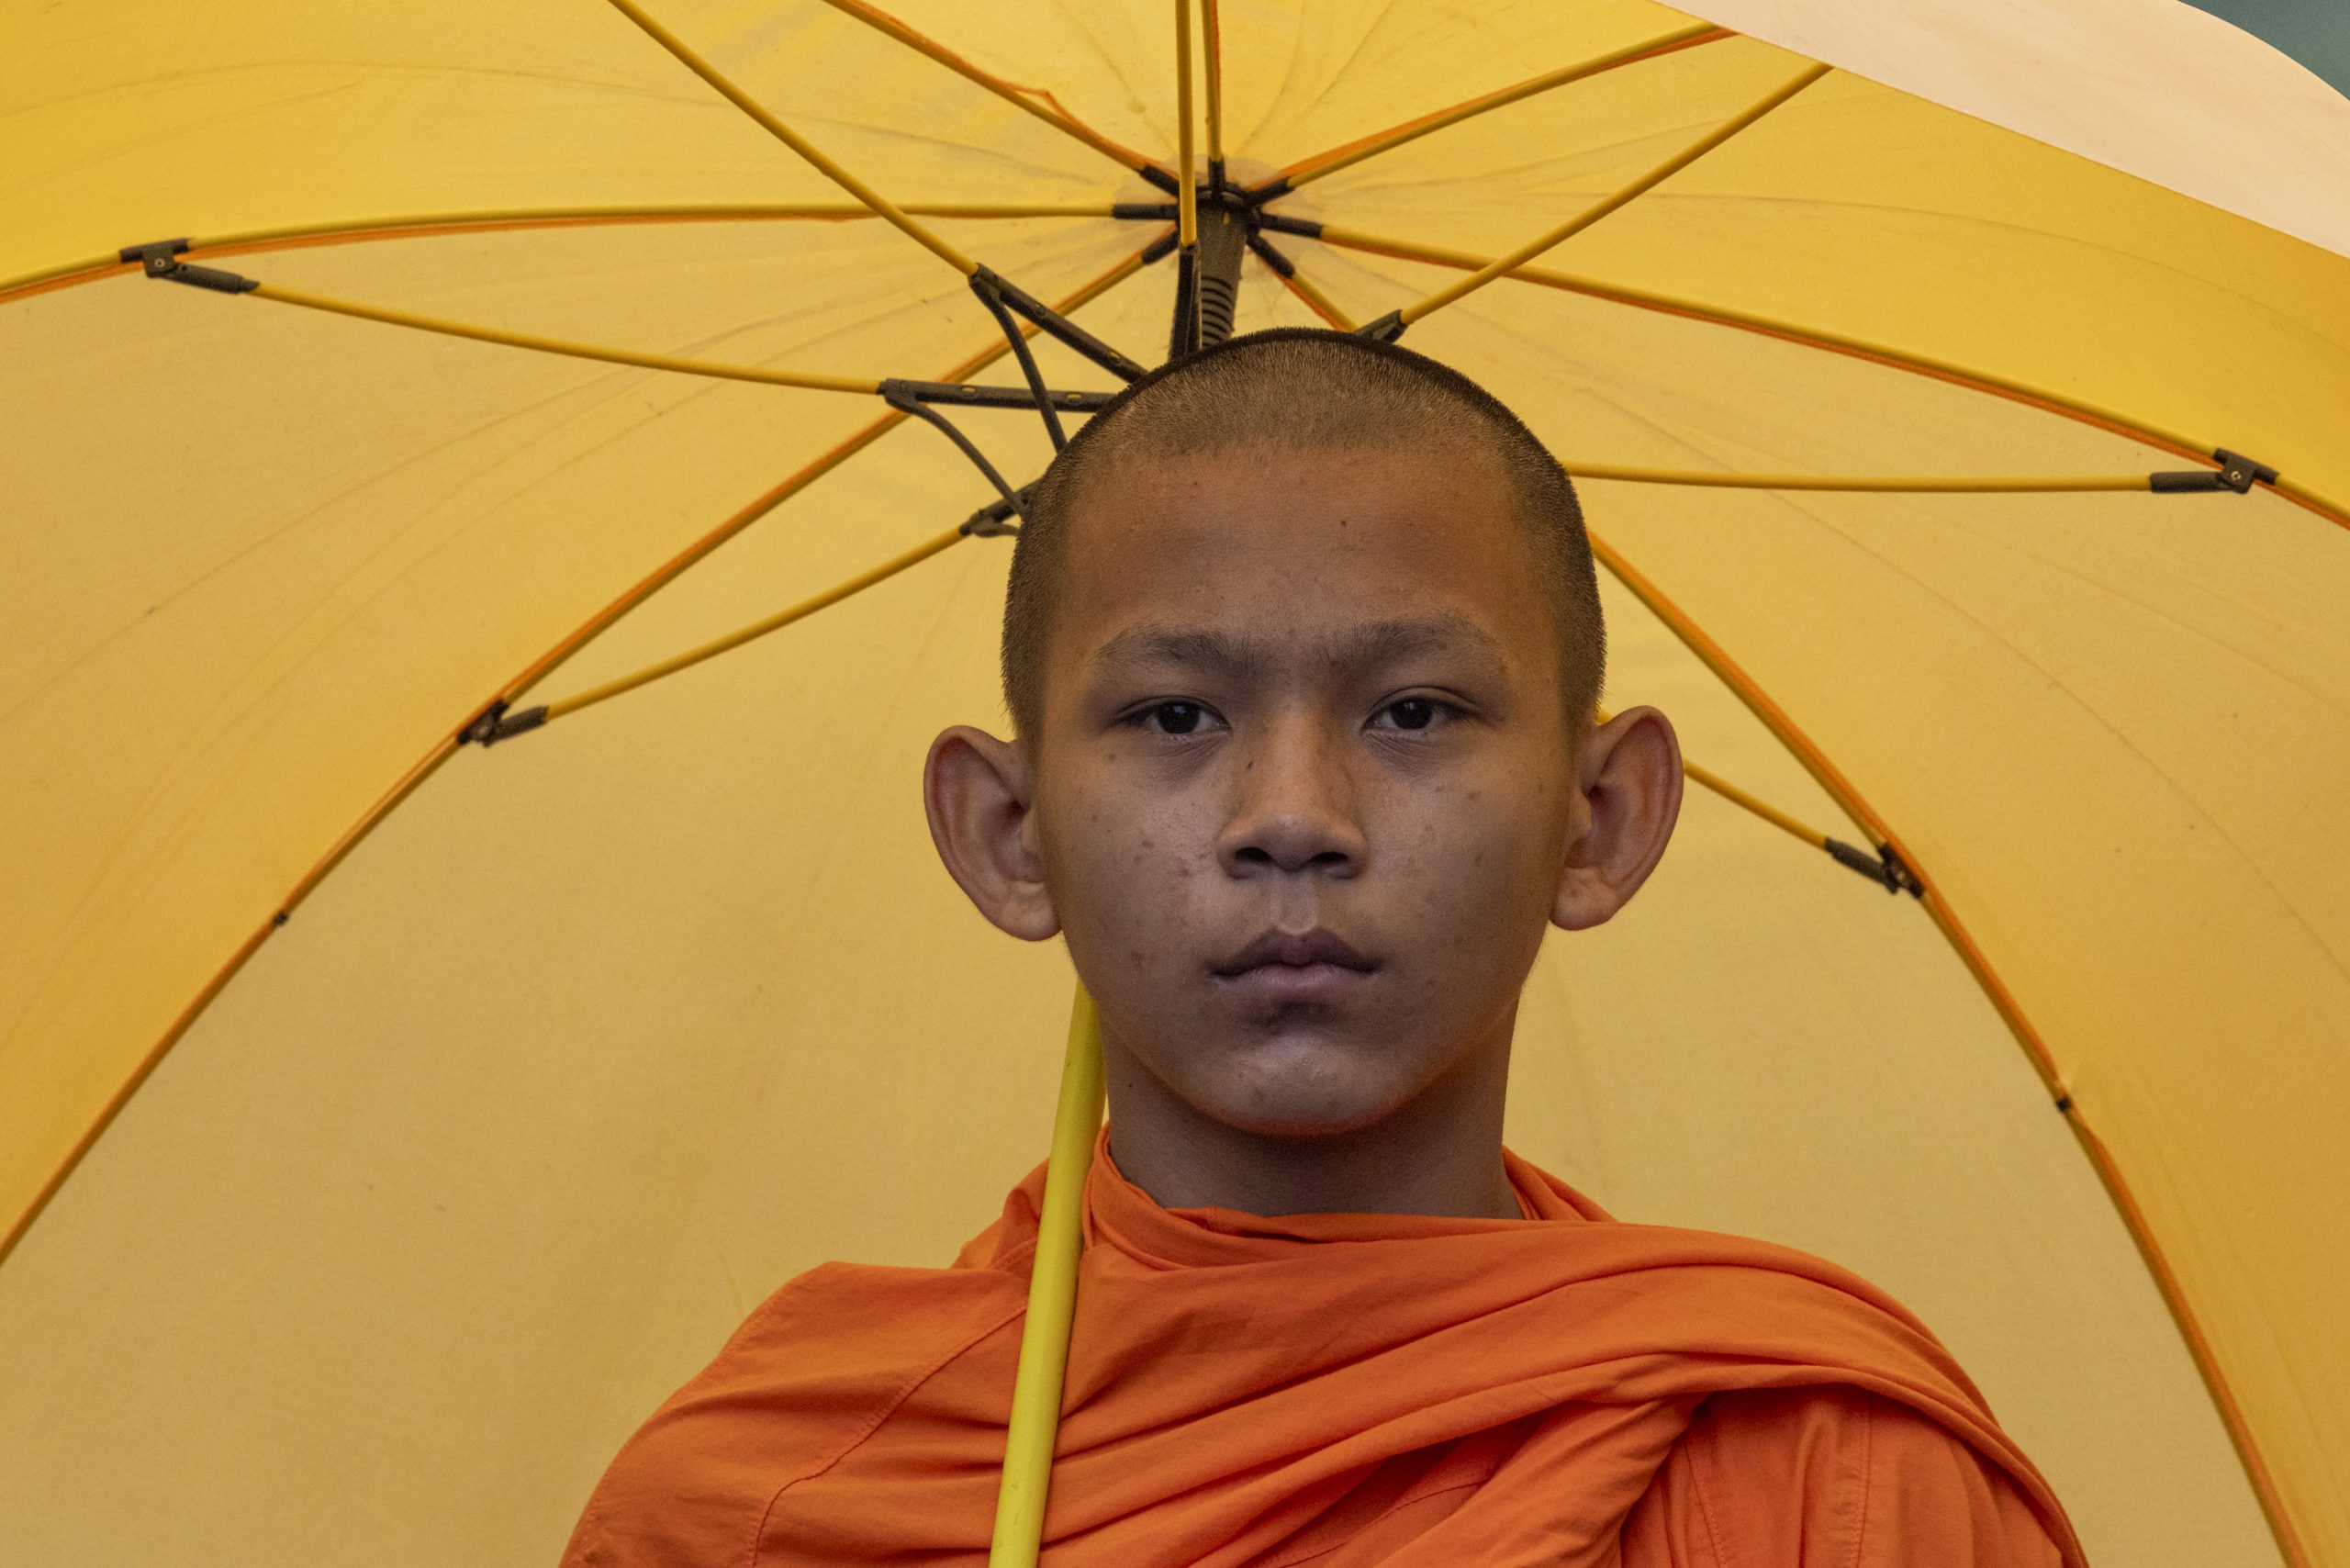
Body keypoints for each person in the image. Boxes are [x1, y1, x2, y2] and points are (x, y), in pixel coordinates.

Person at [561, 330, 2081, 1565]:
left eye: (1413, 710)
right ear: (1010, 833)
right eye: (1174, 715)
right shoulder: (777, 1505)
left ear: (1601, 816)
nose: (1292, 816)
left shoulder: (1818, 1474)